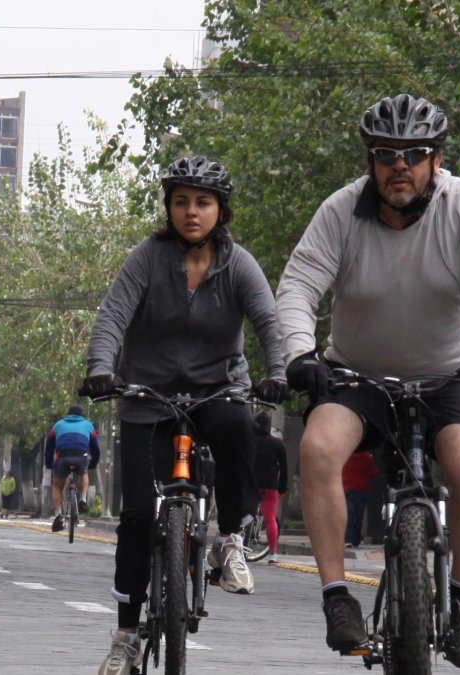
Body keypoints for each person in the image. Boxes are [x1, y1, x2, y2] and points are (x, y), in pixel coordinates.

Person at [276, 93, 460, 667]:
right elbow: (297, 287)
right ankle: (336, 595)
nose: (401, 165)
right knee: (318, 449)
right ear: (370, 161)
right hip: (357, 376)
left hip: (453, 376)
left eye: (415, 154)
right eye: (387, 154)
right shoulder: (340, 212)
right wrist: (300, 354)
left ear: (435, 161)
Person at [81, 154, 287, 674]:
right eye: (180, 202)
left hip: (218, 391)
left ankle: (233, 539)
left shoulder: (239, 264)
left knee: (241, 427)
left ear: (221, 210)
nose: (191, 212)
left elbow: (268, 322)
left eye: (203, 202)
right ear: (168, 207)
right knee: (133, 517)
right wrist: (101, 367)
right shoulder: (147, 258)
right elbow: (112, 317)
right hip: (147, 395)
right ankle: (126, 635)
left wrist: (279, 371)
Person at [44, 403, 101, 533]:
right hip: (81, 456)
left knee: (57, 486)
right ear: (82, 415)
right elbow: (96, 449)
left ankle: (58, 515)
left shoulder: (58, 425)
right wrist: (93, 463)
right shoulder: (88, 425)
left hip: (62, 457)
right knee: (83, 473)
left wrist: (49, 464)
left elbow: (49, 448)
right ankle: (82, 499)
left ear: (68, 414)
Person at [252, 412, 288, 563]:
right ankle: (272, 553)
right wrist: (282, 488)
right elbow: (284, 468)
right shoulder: (277, 444)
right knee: (270, 519)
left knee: (244, 515)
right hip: (270, 485)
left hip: (251, 483)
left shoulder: (249, 441)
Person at [341, 448, 378, 550]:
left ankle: (348, 539)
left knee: (350, 514)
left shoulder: (345, 455)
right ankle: (356, 539)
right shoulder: (366, 457)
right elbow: (373, 472)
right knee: (359, 515)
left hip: (348, 487)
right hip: (362, 489)